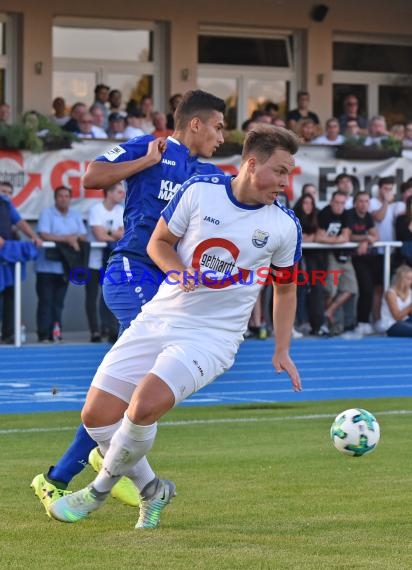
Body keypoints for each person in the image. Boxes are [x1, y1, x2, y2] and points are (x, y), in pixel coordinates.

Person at [48, 124, 302, 529]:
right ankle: (152, 490)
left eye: (290, 173)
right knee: (96, 416)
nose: (286, 183)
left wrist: (282, 349)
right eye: (281, 171)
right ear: (252, 164)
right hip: (161, 315)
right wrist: (176, 272)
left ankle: (95, 492)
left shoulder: (284, 226)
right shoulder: (200, 189)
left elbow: (286, 292)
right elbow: (158, 243)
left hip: (212, 338)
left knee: (144, 405)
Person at [31, 89, 227, 517]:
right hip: (133, 270)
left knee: (126, 390)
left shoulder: (211, 174)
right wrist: (145, 163)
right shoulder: (152, 146)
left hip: (171, 286)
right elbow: (91, 176)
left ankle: (62, 476)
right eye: (218, 126)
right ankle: (115, 468)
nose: (221, 136)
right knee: (136, 386)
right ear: (195, 123)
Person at [34, 186, 87, 342]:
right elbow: (44, 234)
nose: (64, 198)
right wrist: (68, 239)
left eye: (66, 196)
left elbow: (83, 235)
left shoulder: (75, 215)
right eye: (60, 196)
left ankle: (56, 333)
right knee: (45, 302)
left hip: (65, 267)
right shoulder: (46, 213)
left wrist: (74, 238)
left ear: (70, 199)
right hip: (46, 268)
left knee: (58, 303)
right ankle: (43, 334)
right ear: (55, 198)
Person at [0, 182, 42, 343]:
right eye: (3, 191)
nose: (6, 194)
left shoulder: (7, 205)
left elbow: (20, 222)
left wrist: (34, 237)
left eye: (9, 192)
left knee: (10, 296)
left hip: (5, 259)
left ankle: (8, 334)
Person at [86, 183, 125, 342]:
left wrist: (108, 232)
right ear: (109, 193)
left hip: (111, 262)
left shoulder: (121, 210)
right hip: (93, 262)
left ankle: (110, 329)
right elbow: (99, 236)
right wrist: (113, 233)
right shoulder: (96, 210)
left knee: (109, 295)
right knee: (92, 297)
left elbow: (124, 235)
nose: (123, 195)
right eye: (119, 191)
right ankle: (95, 330)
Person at [316, 190, 358, 334]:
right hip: (330, 255)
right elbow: (319, 237)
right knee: (330, 290)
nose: (340, 206)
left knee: (351, 289)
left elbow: (346, 236)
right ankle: (329, 324)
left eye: (342, 203)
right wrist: (336, 241)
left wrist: (332, 240)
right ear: (331, 202)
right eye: (337, 203)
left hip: (345, 255)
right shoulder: (324, 213)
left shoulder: (346, 214)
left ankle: (329, 312)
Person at [346, 191, 379, 335]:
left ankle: (364, 321)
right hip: (349, 257)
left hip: (366, 258)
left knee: (369, 288)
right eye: (361, 201)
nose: (364, 204)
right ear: (355, 203)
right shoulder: (349, 214)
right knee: (360, 289)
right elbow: (349, 235)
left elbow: (376, 235)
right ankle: (359, 321)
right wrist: (365, 237)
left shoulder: (368, 216)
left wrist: (365, 240)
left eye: (366, 201)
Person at [377, 265, 412, 337]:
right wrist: (410, 307)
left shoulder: (410, 292)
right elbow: (397, 317)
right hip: (391, 324)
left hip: (404, 321)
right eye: (408, 279)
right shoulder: (391, 294)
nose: (410, 281)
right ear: (401, 279)